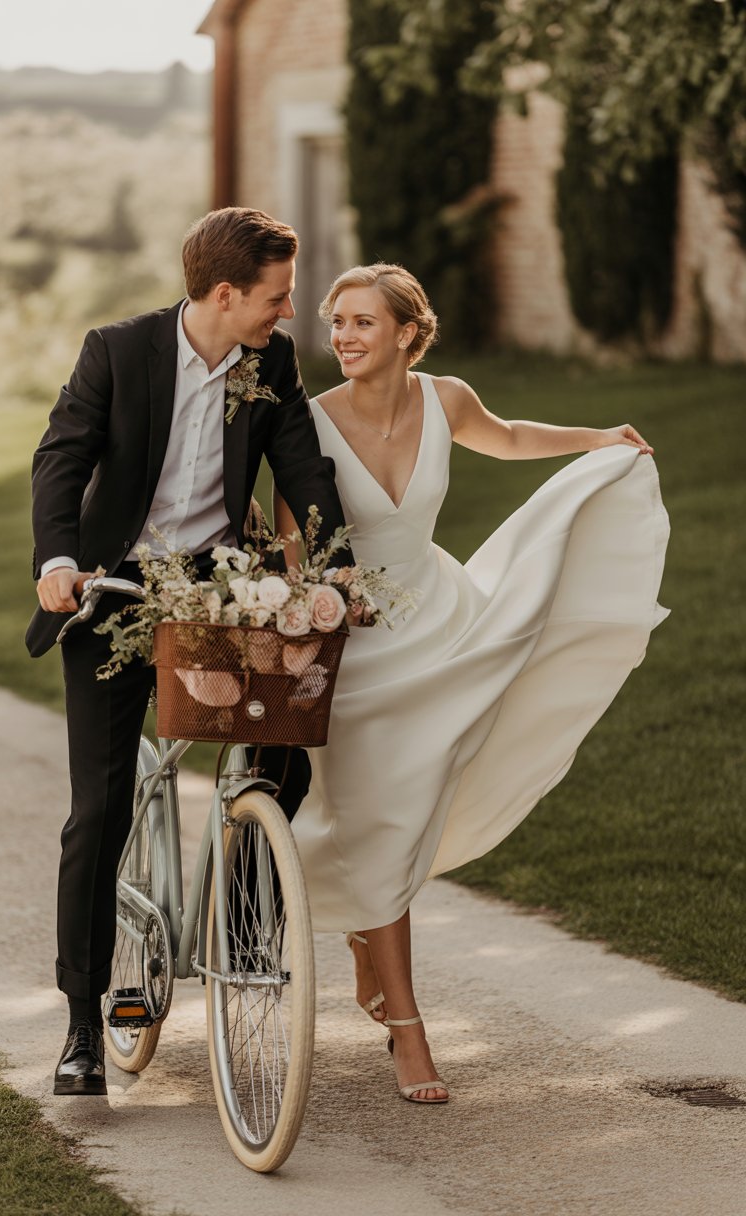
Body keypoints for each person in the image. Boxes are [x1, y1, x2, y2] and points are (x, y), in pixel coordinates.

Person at [274, 263, 669, 1106]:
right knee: (379, 815)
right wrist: (309, 607)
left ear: (409, 334)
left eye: (362, 323)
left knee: (415, 805)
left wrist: (596, 440)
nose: (342, 336)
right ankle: (409, 1028)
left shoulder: (445, 397)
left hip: (442, 624)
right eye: (334, 321)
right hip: (356, 649)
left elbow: (511, 435)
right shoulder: (306, 423)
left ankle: (370, 946)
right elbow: (294, 542)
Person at [26, 207, 350, 1096]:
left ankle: (247, 931)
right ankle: (85, 1022)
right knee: (100, 808)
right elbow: (60, 458)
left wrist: (334, 573)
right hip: (113, 592)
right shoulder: (119, 352)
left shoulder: (269, 362)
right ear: (223, 294)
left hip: (217, 588)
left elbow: (303, 468)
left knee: (282, 748)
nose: (287, 313)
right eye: (276, 299)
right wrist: (59, 561)